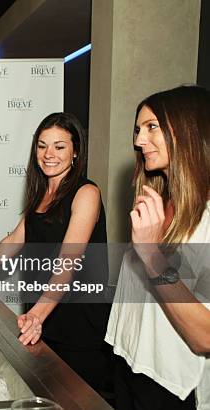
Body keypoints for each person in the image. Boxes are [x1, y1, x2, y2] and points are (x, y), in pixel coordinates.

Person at [0, 112, 111, 394]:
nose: (49, 154)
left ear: (75, 152)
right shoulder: (42, 192)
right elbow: (14, 240)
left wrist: (37, 315)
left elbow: (67, 264)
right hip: (42, 312)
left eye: (59, 147)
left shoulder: (86, 192)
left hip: (76, 318)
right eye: (42, 145)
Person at [105, 85, 210, 410]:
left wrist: (151, 255)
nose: (138, 141)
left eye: (152, 127)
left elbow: (204, 335)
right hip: (128, 364)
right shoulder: (158, 203)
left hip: (172, 387)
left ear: (189, 130)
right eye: (138, 130)